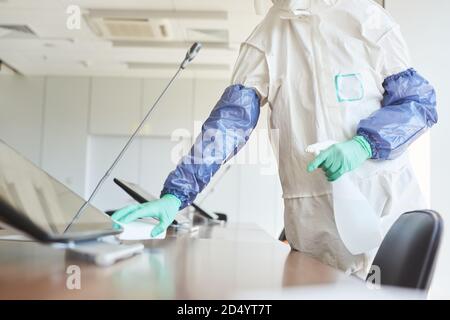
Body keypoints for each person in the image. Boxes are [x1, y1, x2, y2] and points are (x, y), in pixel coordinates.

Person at [112, 0, 437, 276]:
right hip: (314, 227)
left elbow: (417, 103)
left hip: (386, 214)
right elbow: (229, 124)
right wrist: (176, 195)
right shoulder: (267, 39)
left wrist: (363, 144)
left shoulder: (368, 20)